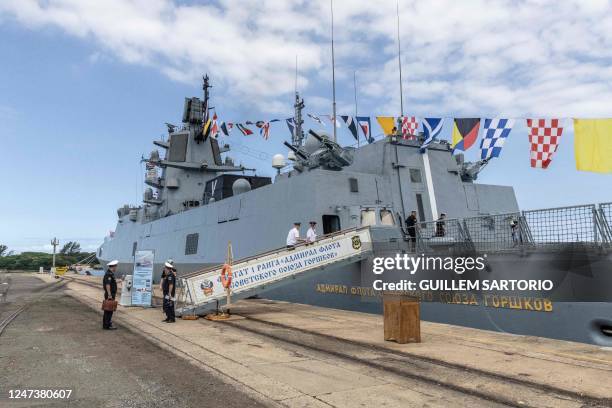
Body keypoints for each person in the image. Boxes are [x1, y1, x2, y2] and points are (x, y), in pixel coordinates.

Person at [102, 260, 118, 330]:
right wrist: (109, 295)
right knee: (109, 310)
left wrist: (120, 280)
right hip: (110, 295)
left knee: (107, 309)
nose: (116, 268)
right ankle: (107, 325)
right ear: (113, 266)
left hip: (110, 294)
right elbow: (107, 285)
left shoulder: (110, 274)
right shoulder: (109, 274)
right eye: (115, 266)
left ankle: (106, 324)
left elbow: (111, 283)